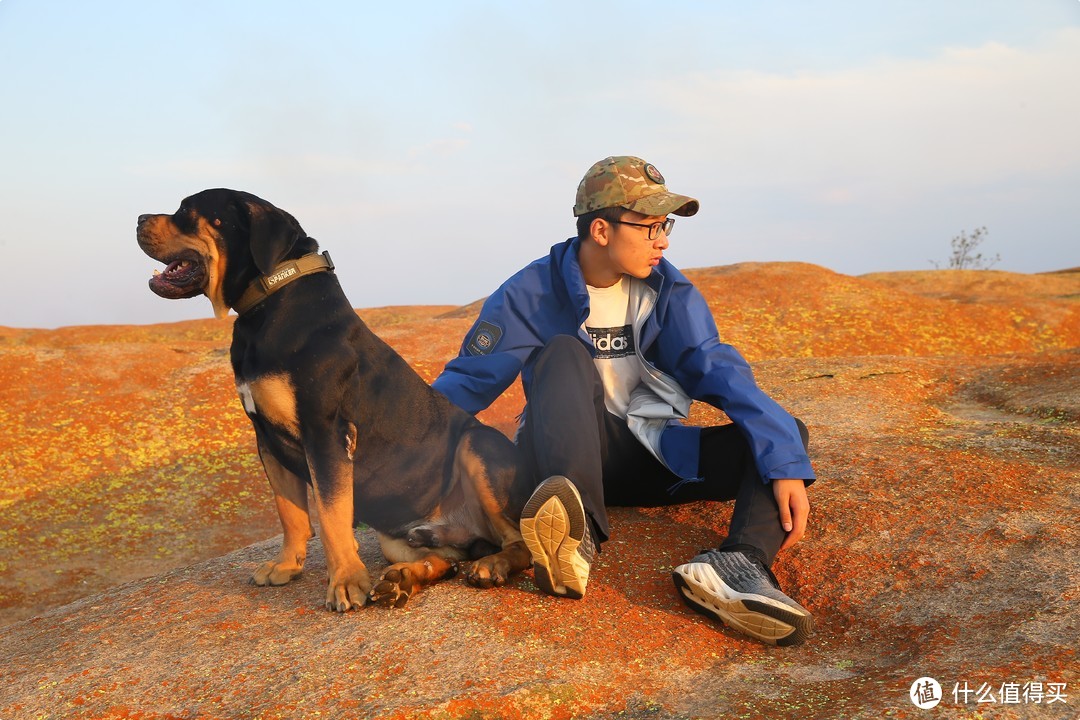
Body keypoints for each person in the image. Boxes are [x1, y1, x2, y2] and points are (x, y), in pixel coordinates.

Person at [432, 156, 816, 646]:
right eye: (651, 226)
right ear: (602, 229)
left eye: (666, 225)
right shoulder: (531, 291)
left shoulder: (668, 291)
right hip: (558, 468)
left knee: (784, 436)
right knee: (564, 352)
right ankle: (574, 537)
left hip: (647, 454)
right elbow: (467, 382)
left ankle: (737, 564)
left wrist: (782, 459)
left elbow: (716, 368)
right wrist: (391, 447)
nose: (664, 240)